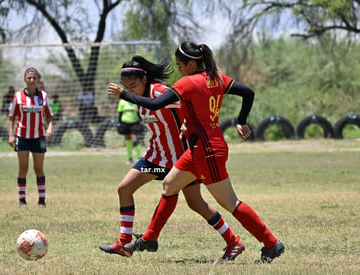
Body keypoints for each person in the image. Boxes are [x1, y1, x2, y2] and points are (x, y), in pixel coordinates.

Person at [107, 42, 284, 264]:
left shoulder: (188, 83)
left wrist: (124, 94)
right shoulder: (216, 78)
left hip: (208, 150)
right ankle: (150, 238)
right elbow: (248, 92)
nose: (179, 69)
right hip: (199, 148)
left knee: (230, 203)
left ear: (191, 64)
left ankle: (271, 243)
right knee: (170, 185)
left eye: (180, 65)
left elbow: (155, 105)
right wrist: (241, 120)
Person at [100, 55, 244, 260]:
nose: (129, 90)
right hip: (156, 159)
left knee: (196, 203)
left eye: (133, 85)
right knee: (124, 188)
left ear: (144, 79)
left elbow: (191, 103)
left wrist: (188, 122)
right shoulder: (137, 98)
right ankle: (124, 243)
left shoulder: (160, 92)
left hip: (181, 160)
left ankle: (233, 241)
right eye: (126, 86)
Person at [8, 67, 53, 208]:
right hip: (22, 137)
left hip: (39, 137)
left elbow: (49, 116)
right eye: (29, 78)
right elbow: (11, 117)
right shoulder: (17, 96)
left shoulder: (44, 96)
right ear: (25, 79)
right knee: (23, 169)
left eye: (34, 78)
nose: (32, 80)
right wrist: (11, 135)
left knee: (39, 169)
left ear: (38, 79)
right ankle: (22, 201)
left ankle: (42, 201)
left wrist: (50, 127)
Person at [116, 98, 143, 164]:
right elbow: (120, 113)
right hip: (124, 123)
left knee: (134, 140)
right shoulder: (122, 101)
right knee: (127, 140)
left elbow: (138, 113)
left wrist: (141, 122)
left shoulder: (135, 101)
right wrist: (119, 123)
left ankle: (139, 157)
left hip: (134, 123)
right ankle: (130, 158)